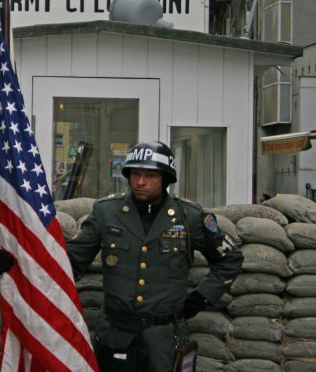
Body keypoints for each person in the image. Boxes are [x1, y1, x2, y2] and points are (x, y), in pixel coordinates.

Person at [63, 140, 244, 371]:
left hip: (164, 339)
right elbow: (70, 263)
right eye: (135, 174)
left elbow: (230, 259)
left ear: (165, 179)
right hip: (116, 333)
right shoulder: (106, 212)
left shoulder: (188, 216)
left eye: (150, 176)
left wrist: (201, 298)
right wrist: (21, 266)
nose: (140, 182)